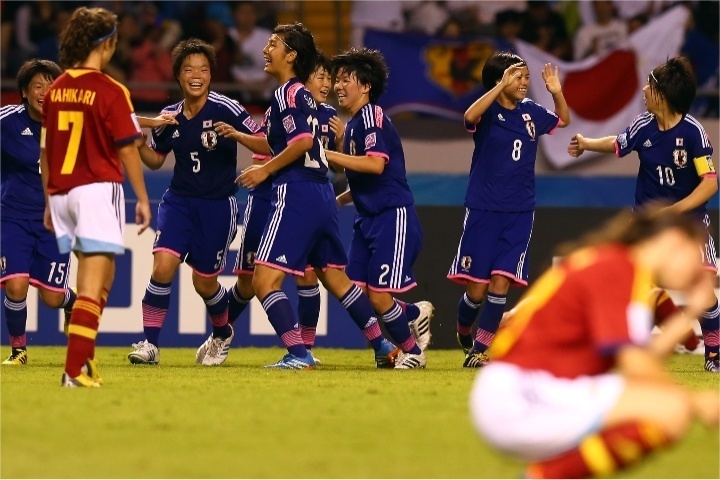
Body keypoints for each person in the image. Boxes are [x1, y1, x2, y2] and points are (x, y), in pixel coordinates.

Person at [470, 208, 719, 479]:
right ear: (672, 240)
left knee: (662, 404)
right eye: (694, 255)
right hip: (523, 392)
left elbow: (641, 358)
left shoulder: (618, 264)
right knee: (669, 409)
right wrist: (693, 400)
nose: (696, 268)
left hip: (528, 386)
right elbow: (635, 365)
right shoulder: (618, 268)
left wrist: (693, 310)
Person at [236, 23, 400, 369]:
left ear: (291, 56)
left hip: (295, 191)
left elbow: (302, 142)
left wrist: (265, 170)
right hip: (322, 191)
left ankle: (298, 354)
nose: (266, 49)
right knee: (336, 278)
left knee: (264, 281)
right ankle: (383, 346)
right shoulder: (308, 99)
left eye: (273, 43)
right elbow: (295, 139)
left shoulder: (287, 93)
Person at [568, 56, 719, 372]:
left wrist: (674, 212)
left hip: (689, 224)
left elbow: (709, 184)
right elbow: (618, 143)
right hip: (647, 227)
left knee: (703, 287)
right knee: (631, 285)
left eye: (651, 86)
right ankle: (624, 351)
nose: (645, 92)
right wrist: (586, 143)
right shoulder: (642, 126)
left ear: (663, 94)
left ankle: (715, 353)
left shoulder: (694, 134)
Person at [196, 54, 344, 364]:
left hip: (294, 195)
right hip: (265, 194)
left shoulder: (323, 113)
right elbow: (269, 142)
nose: (327, 83)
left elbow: (317, 150)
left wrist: (341, 141)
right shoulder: (284, 99)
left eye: (329, 78)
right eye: (321, 76)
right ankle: (223, 334)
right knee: (248, 281)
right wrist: (241, 137)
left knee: (306, 275)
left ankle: (304, 350)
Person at [127, 38, 262, 367]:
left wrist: (239, 137)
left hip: (218, 206)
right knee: (162, 266)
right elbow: (156, 160)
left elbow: (266, 142)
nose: (196, 75)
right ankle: (150, 344)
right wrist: (137, 142)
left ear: (211, 75)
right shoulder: (169, 116)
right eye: (189, 69)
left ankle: (222, 333)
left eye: (203, 69)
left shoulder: (227, 108)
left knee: (204, 282)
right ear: (178, 76)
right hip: (178, 203)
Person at [40, 6, 152, 387]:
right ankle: (72, 372)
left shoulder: (55, 89)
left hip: (62, 194)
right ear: (106, 43)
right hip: (94, 191)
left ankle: (83, 360)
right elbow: (127, 148)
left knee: (103, 278)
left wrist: (48, 200)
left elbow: (47, 151)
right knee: (92, 284)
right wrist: (141, 196)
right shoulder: (110, 89)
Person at [448, 51, 570, 368]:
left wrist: (556, 91)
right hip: (483, 208)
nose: (524, 82)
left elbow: (563, 119)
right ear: (499, 80)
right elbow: (468, 117)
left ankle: (480, 350)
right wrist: (497, 87)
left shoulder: (530, 112)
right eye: (518, 76)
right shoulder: (487, 112)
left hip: (520, 211)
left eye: (526, 77)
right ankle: (463, 330)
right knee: (476, 290)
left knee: (501, 281)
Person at [327, 47, 434, 368]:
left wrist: (329, 154)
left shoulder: (372, 116)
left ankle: (413, 352)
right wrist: (337, 202)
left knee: (377, 296)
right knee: (356, 293)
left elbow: (374, 166)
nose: (338, 86)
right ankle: (414, 313)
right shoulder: (355, 125)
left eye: (346, 79)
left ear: (366, 85)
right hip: (367, 220)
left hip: (392, 217)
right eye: (336, 80)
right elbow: (360, 179)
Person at [0, 59, 77, 365]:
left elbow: (112, 122)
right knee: (16, 285)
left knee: (52, 297)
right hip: (12, 216)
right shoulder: (7, 122)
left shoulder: (71, 123)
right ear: (24, 92)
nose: (45, 91)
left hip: (55, 220)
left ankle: (70, 302)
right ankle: (19, 351)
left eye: (51, 84)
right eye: (37, 85)